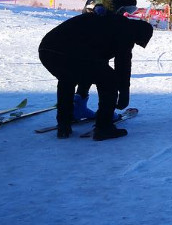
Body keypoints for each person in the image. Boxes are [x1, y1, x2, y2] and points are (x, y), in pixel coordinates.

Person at [38, 8, 153, 140]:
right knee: (109, 81)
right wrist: (124, 93)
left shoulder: (113, 23)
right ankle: (104, 127)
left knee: (67, 79)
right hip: (70, 52)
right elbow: (122, 65)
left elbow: (94, 62)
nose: (134, 44)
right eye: (137, 42)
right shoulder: (126, 31)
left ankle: (64, 124)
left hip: (47, 49)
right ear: (138, 34)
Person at [74, 0, 140, 120]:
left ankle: (78, 103)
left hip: (83, 48)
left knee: (88, 74)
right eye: (128, 9)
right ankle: (105, 115)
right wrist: (124, 91)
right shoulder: (103, 9)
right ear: (121, 6)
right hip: (89, 48)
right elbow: (123, 60)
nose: (125, 13)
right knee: (106, 79)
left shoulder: (107, 10)